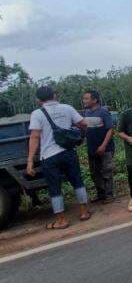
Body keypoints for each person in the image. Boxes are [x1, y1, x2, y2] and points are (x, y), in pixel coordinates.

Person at [26, 86, 92, 229]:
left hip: (49, 156)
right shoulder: (67, 108)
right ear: (54, 96)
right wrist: (78, 136)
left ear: (38, 100)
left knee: (55, 188)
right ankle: (83, 212)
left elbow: (35, 136)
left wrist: (30, 161)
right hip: (69, 152)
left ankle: (61, 221)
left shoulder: (37, 114)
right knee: (77, 182)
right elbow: (83, 124)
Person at [82, 89, 115, 204]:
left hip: (105, 149)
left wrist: (103, 146)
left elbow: (110, 130)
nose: (84, 101)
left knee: (106, 171)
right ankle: (101, 194)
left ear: (95, 100)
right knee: (95, 172)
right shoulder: (86, 113)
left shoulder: (103, 112)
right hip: (92, 149)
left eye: (86, 98)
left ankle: (109, 195)